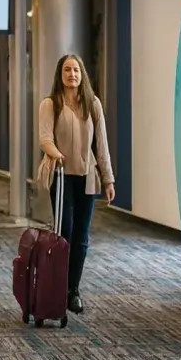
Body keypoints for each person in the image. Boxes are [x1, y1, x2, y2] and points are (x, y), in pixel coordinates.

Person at [38, 54, 115, 315]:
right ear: (60, 75)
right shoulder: (50, 104)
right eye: (67, 70)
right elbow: (45, 138)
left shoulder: (93, 104)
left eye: (76, 70)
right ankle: (57, 289)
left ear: (82, 75)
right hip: (61, 176)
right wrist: (57, 154)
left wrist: (108, 179)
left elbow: (101, 145)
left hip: (86, 177)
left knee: (81, 237)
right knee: (65, 234)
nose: (72, 74)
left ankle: (73, 290)